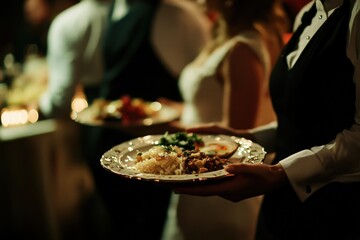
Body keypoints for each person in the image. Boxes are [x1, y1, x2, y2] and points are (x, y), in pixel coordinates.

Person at [174, 0, 360, 239]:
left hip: (334, 211)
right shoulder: (308, 13)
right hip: (281, 204)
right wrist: (249, 137)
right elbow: (302, 123)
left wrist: (280, 174)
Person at [161, 1, 288, 240]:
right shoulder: (225, 36)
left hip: (217, 186)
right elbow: (207, 104)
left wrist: (163, 128)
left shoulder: (242, 48)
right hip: (194, 167)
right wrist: (175, 111)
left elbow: (234, 138)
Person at [86, 0, 211, 239]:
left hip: (156, 154)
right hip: (108, 146)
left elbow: (205, 87)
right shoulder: (112, 9)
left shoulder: (178, 14)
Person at [38, 0, 111, 118]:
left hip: (92, 112)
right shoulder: (124, 12)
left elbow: (60, 97)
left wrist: (40, 105)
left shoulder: (66, 23)